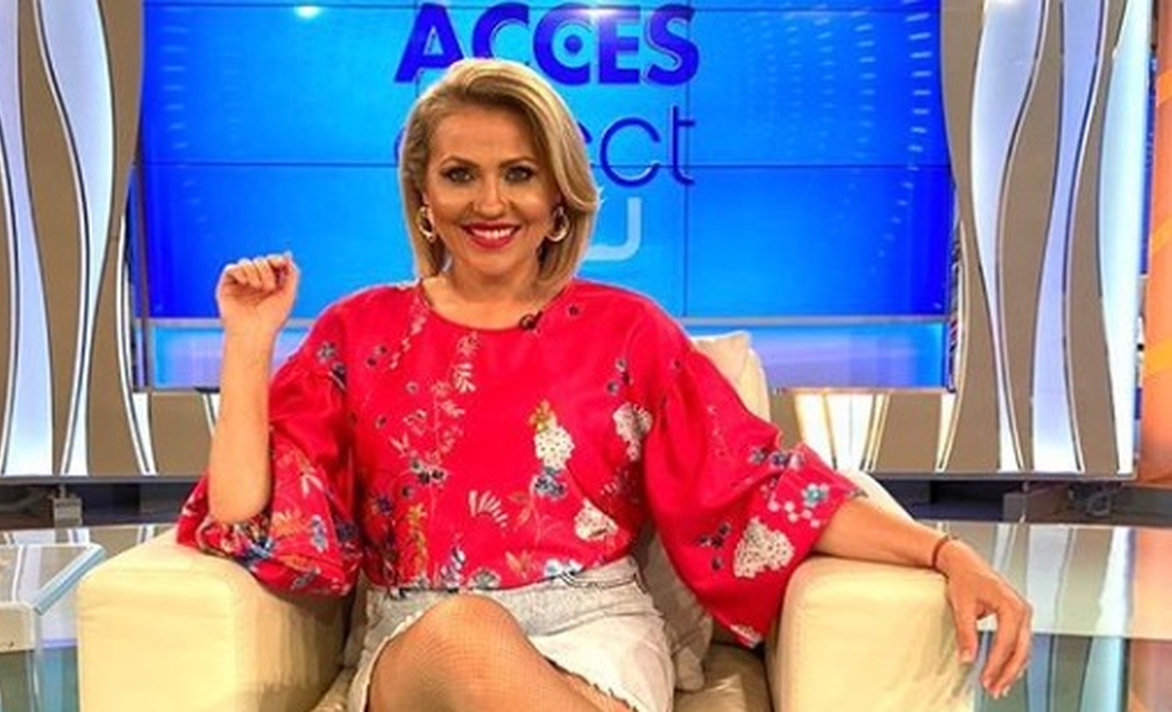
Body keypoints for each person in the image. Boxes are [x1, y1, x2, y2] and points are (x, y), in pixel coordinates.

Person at [176, 58, 1030, 712]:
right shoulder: (358, 332)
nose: (490, 202)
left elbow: (761, 489)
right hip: (421, 641)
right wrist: (248, 341)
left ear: (559, 197)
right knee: (466, 632)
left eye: (519, 173)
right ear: (423, 197)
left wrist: (943, 552)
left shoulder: (627, 331)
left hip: (594, 633)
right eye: (460, 174)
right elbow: (243, 511)